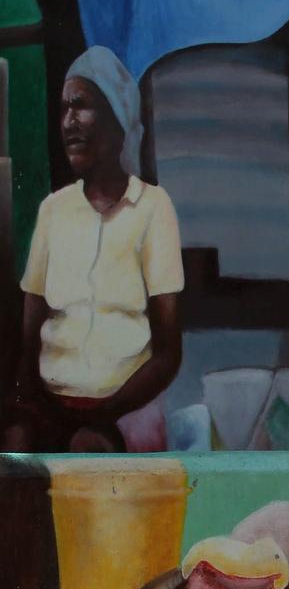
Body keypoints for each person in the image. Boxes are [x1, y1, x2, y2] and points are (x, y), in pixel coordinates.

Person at [1, 45, 184, 453]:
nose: (69, 123)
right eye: (64, 108)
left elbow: (169, 355)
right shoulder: (53, 210)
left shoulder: (153, 209)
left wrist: (102, 416)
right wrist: (33, 410)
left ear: (118, 117)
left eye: (81, 107)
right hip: (53, 406)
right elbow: (30, 336)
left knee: (90, 451)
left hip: (127, 407)